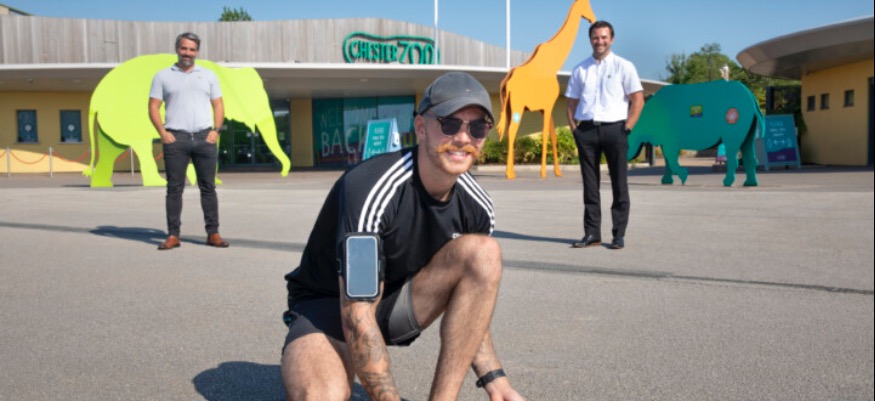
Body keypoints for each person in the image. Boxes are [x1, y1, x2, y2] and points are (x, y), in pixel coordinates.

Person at [280, 72, 525, 401]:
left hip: (395, 306)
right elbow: (357, 314)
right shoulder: (370, 186)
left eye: (477, 127)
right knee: (323, 396)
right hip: (329, 307)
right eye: (450, 124)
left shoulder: (478, 206)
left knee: (484, 253)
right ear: (421, 127)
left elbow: (473, 305)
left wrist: (495, 378)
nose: (463, 137)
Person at [564, 20, 644, 250]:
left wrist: (627, 127)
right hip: (587, 131)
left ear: (612, 39)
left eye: (603, 37)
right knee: (590, 186)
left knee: (619, 184)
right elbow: (571, 103)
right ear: (590, 39)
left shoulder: (624, 66)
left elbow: (638, 100)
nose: (599, 41)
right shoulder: (580, 69)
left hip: (615, 130)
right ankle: (592, 234)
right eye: (595, 37)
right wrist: (575, 130)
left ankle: (618, 234)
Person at [149, 32, 229, 250]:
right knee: (174, 189)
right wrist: (162, 132)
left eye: (192, 50)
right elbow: (153, 106)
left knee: (208, 188)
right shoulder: (163, 76)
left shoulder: (208, 75)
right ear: (177, 49)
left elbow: (218, 104)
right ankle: (173, 235)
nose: (188, 53)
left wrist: (216, 130)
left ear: (197, 52)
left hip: (205, 138)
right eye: (184, 48)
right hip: (176, 139)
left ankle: (213, 233)